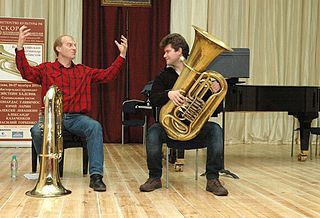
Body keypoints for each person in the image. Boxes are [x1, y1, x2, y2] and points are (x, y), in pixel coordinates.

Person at [15, 25, 128, 192]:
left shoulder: (83, 71)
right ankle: (49, 171)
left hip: (77, 119)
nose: (74, 47)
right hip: (53, 118)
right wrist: (20, 46)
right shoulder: (46, 69)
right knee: (36, 131)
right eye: (70, 44)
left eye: (75, 45)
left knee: (94, 126)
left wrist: (122, 55)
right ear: (58, 49)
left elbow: (107, 75)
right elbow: (26, 72)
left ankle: (96, 176)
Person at [139, 33, 228, 196]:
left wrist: (215, 93)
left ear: (179, 51)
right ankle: (154, 178)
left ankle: (213, 179)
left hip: (194, 130)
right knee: (153, 132)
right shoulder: (163, 76)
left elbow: (215, 110)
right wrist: (168, 94)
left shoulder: (203, 77)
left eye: (167, 51)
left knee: (215, 129)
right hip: (170, 131)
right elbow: (152, 99)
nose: (164, 55)